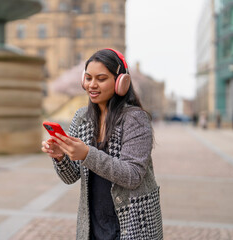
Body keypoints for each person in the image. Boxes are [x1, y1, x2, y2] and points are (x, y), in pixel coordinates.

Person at [41, 48, 163, 240]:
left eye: (101, 78)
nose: (92, 85)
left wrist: (87, 154)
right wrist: (60, 156)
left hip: (133, 224)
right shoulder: (81, 117)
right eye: (88, 78)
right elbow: (71, 176)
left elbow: (133, 176)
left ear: (121, 81)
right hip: (94, 225)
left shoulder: (135, 119)